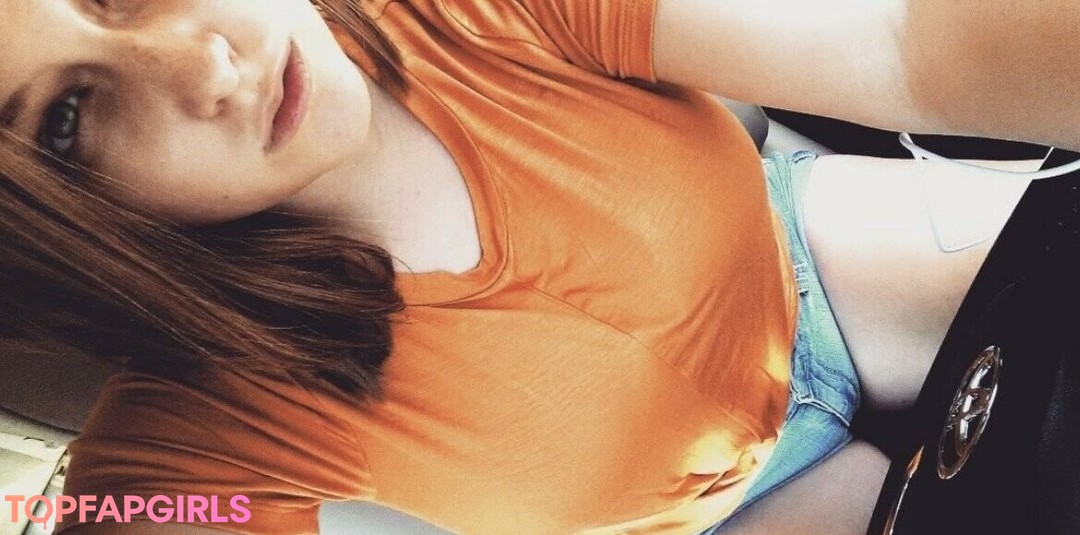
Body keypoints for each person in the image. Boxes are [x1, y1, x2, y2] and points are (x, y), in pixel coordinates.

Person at [0, 0, 1065, 533]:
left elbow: (902, 46)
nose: (203, 64)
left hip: (809, 261)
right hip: (732, 514)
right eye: (68, 120)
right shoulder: (180, 456)